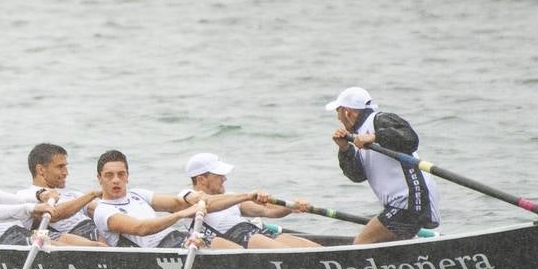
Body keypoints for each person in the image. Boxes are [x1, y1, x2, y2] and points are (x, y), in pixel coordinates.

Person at [327, 86, 440, 244]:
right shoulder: (360, 136)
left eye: (338, 111)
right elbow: (357, 176)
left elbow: (410, 138)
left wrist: (374, 137)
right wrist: (345, 148)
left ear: (348, 112)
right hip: (404, 204)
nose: (338, 118)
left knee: (361, 244)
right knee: (386, 246)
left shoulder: (379, 120)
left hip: (410, 201)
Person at [90, 150, 235, 249]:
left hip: (177, 240)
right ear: (99, 178)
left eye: (121, 174)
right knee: (208, 245)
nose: (116, 180)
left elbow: (177, 204)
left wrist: (246, 197)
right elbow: (141, 228)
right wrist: (182, 214)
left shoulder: (138, 194)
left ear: (127, 176)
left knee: (220, 243)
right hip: (155, 255)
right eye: (109, 175)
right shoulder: (102, 210)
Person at [182, 153, 320, 249]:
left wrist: (291, 207)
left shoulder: (231, 197)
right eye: (219, 175)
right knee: (291, 254)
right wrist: (247, 196)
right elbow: (208, 203)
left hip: (257, 231)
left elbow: (267, 211)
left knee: (315, 249)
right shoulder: (186, 196)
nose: (224, 179)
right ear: (201, 179)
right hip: (235, 240)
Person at [14, 143, 107, 247]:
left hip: (93, 230)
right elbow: (55, 214)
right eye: (60, 167)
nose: (66, 172)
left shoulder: (72, 193)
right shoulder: (25, 195)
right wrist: (93, 194)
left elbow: (99, 210)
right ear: (41, 170)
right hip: (62, 237)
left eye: (65, 166)